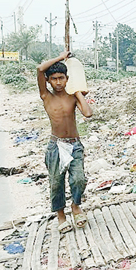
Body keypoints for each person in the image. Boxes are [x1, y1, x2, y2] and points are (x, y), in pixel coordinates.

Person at [37, 51, 93, 233]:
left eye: (62, 78)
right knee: (56, 182)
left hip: (74, 144)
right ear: (48, 80)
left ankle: (76, 206)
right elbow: (40, 68)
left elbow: (88, 113)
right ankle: (61, 216)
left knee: (79, 179)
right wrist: (61, 57)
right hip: (56, 145)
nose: (58, 82)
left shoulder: (71, 97)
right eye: (54, 79)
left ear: (67, 79)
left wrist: (78, 93)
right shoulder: (46, 96)